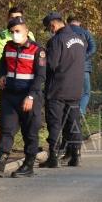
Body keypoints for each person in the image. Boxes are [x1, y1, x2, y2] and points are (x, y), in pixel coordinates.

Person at [0, 16, 46, 178]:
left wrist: (31, 97)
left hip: (29, 97)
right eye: (12, 32)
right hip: (10, 96)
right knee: (7, 129)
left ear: (26, 31)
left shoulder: (38, 51)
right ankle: (0, 163)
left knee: (30, 132)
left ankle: (29, 165)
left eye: (18, 31)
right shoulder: (8, 47)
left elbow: (40, 77)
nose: (14, 34)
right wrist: (2, 75)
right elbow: (3, 64)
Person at [39, 14, 86, 168]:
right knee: (73, 122)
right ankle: (76, 155)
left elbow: (51, 64)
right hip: (76, 88)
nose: (49, 31)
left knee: (54, 123)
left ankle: (53, 157)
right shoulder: (81, 40)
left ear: (53, 25)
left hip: (58, 88)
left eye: (48, 28)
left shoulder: (56, 41)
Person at [67, 15, 97, 115]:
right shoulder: (86, 33)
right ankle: (80, 111)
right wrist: (82, 58)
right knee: (86, 92)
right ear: (79, 22)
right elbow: (93, 49)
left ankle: (70, 114)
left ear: (68, 22)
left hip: (68, 68)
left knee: (70, 92)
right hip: (84, 67)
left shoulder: (64, 33)